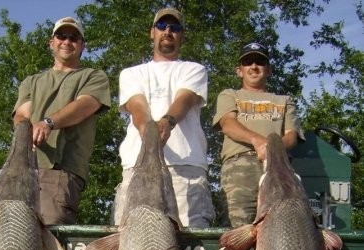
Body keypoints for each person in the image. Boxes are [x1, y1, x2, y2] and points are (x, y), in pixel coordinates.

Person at [112, 8, 215, 228]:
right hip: (137, 167)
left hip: (185, 167)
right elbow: (136, 105)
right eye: (162, 26)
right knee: (128, 241)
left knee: (192, 248)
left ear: (182, 36)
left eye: (175, 27)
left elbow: (184, 100)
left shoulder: (194, 69)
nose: (168, 31)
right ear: (152, 32)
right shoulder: (131, 73)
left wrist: (167, 122)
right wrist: (148, 130)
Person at [13, 17, 111, 225]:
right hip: (19, 170)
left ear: (82, 45)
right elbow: (22, 114)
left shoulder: (93, 77)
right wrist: (25, 130)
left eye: (74, 37)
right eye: (61, 36)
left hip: (60, 174)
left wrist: (48, 123)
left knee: (48, 241)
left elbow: (86, 105)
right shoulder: (32, 81)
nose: (67, 41)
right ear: (51, 42)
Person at [213, 42, 305, 227]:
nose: (254, 67)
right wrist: (257, 141)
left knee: (282, 227)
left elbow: (291, 136)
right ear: (239, 71)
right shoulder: (230, 95)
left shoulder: (285, 100)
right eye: (248, 62)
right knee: (237, 228)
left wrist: (271, 149)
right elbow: (228, 124)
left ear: (269, 70)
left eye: (260, 62)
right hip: (239, 168)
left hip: (279, 169)